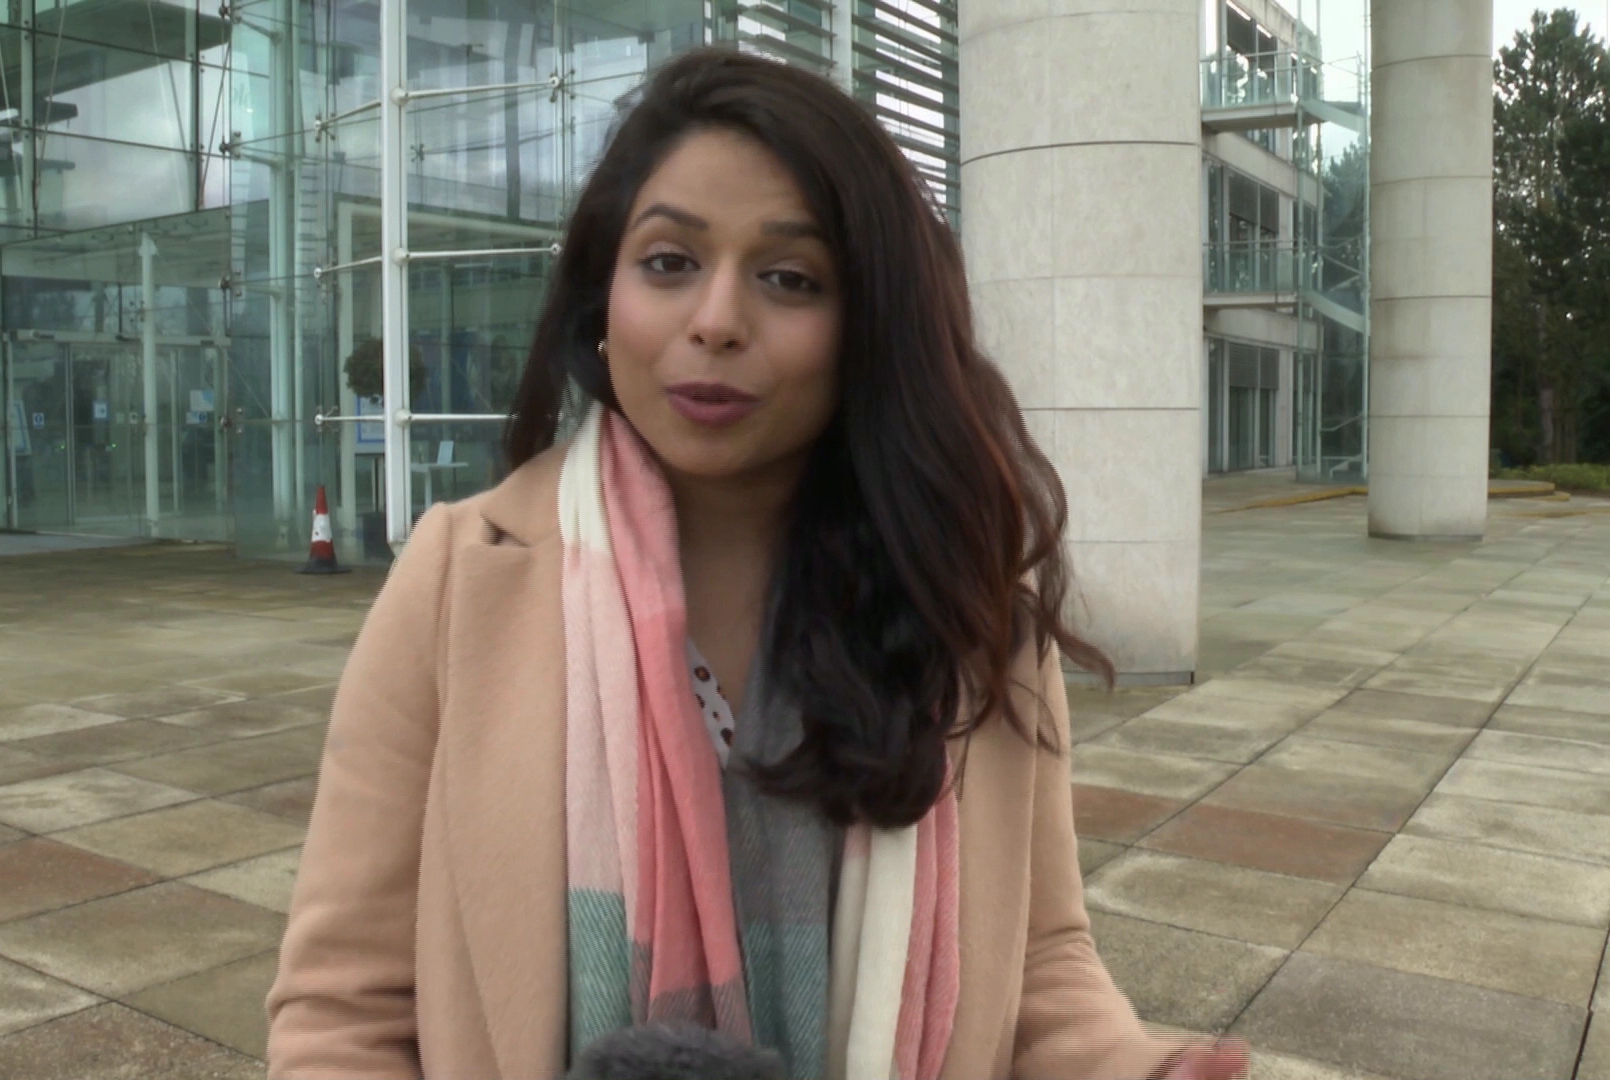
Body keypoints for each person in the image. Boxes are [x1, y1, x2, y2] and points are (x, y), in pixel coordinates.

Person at [265, 47, 1249, 1080]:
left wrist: (1127, 1066)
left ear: (870, 326)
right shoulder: (459, 581)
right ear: (603, 297)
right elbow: (342, 1012)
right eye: (669, 263)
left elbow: (1040, 959)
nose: (717, 321)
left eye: (789, 279)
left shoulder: (963, 601)